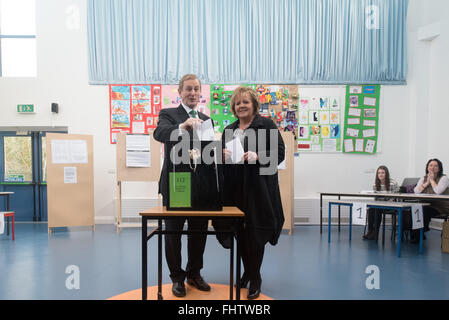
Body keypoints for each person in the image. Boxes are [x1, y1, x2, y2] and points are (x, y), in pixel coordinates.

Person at [220, 86, 285, 299]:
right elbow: (222, 161)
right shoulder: (229, 129)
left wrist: (259, 156)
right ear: (233, 107)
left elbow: (280, 153)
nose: (241, 106)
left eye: (245, 102)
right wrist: (222, 155)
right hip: (234, 191)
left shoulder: (265, 124)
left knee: (256, 235)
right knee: (240, 234)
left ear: (254, 104)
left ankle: (255, 277)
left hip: (259, 192)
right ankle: (247, 272)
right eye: (237, 103)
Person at [153, 74, 211, 297]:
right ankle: (177, 278)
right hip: (178, 182)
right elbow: (159, 133)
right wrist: (181, 126)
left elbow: (207, 153)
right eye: (188, 89)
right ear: (180, 92)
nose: (193, 93)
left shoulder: (206, 119)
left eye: (196, 89)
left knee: (199, 232)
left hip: (201, 185)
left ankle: (194, 274)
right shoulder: (168, 114)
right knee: (173, 233)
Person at [412, 158, 449, 243]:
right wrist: (426, 183)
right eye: (430, 165)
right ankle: (417, 234)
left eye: (436, 166)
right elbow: (416, 191)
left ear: (439, 168)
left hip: (440, 206)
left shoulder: (444, 178)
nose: (432, 167)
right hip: (426, 204)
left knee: (424, 211)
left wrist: (431, 180)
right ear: (427, 167)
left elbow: (438, 191)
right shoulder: (423, 178)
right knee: (414, 209)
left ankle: (419, 235)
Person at [363, 165, 399, 240]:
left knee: (377, 209)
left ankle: (375, 233)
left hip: (392, 205)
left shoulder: (392, 183)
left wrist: (384, 203)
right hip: (380, 205)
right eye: (379, 173)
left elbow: (396, 197)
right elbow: (376, 198)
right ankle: (370, 231)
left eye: (383, 173)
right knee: (371, 209)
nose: (380, 174)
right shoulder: (375, 184)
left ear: (386, 174)